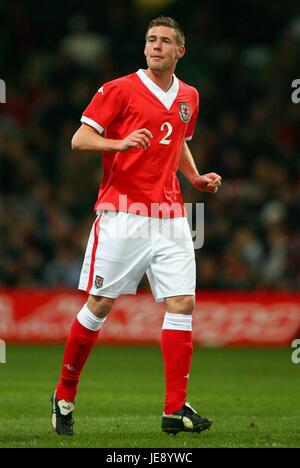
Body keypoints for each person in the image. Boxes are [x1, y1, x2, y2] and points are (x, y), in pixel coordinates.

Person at [51, 16, 222, 436]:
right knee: (100, 305)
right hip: (122, 214)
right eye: (151, 40)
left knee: (182, 305)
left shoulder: (189, 95)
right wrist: (118, 142)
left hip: (171, 215)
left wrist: (195, 178)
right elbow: (79, 139)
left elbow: (178, 139)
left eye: (165, 41)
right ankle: (64, 394)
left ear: (181, 50)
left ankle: (174, 409)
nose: (156, 46)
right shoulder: (119, 89)